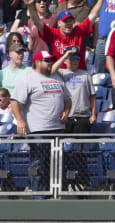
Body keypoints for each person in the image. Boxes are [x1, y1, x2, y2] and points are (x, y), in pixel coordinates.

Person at [10, 50, 71, 195]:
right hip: (38, 130)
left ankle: (55, 194)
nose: (50, 63)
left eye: (51, 60)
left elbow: (68, 99)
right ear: (37, 62)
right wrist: (20, 120)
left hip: (58, 128)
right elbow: (15, 101)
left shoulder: (57, 76)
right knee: (39, 163)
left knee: (56, 163)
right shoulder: (28, 79)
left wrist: (66, 111)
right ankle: (38, 195)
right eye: (47, 60)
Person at [27, 0, 109, 71]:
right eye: (65, 21)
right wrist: (30, 7)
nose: (68, 23)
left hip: (79, 73)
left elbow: (93, 15)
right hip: (60, 73)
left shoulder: (79, 30)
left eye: (70, 21)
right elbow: (37, 22)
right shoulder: (53, 33)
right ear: (58, 23)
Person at [52, 46, 96, 133]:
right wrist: (65, 56)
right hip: (66, 117)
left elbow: (92, 96)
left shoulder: (86, 75)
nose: (75, 60)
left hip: (83, 117)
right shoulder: (61, 73)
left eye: (77, 58)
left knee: (81, 145)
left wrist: (93, 114)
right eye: (71, 57)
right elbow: (51, 70)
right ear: (65, 60)